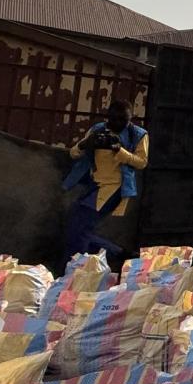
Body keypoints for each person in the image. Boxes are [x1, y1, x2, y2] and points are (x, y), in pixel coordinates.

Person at [62, 100, 149, 269]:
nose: (117, 123)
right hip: (94, 186)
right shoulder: (97, 130)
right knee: (79, 230)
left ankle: (73, 270)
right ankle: (119, 254)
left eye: (123, 120)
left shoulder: (138, 134)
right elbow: (74, 153)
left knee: (78, 228)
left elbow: (141, 162)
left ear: (130, 118)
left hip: (115, 188)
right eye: (113, 119)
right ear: (107, 117)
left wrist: (119, 150)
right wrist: (86, 144)